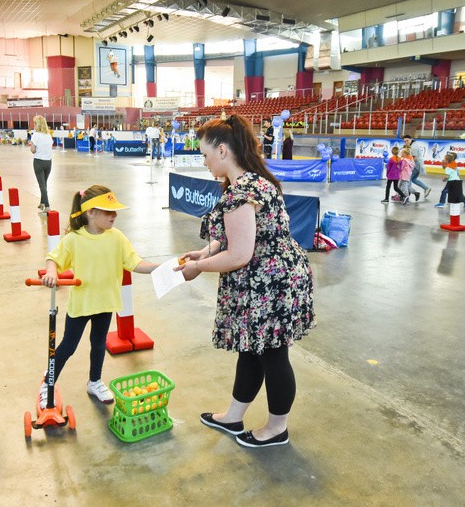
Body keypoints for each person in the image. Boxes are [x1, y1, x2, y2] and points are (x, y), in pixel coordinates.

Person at [176, 114, 315, 448]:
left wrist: (199, 268)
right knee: (251, 351)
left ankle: (277, 429)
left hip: (269, 285)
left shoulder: (242, 192)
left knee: (273, 356)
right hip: (270, 279)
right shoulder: (254, 182)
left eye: (206, 155)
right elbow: (236, 237)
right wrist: (204, 251)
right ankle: (233, 416)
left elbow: (239, 254)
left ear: (223, 151)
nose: (204, 161)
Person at [41, 185, 159, 408]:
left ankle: (94, 381)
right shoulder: (74, 239)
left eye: (115, 211)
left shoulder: (117, 237)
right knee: (68, 346)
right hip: (83, 304)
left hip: (105, 303)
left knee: (98, 344)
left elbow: (135, 262)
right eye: (107, 211)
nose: (113, 215)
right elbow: (53, 259)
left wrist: (159, 267)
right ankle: (47, 383)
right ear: (90, 213)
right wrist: (50, 272)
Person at [30, 115, 54, 212]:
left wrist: (32, 145)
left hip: (38, 162)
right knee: (44, 183)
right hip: (48, 162)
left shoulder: (35, 135)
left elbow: (33, 150)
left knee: (42, 185)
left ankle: (47, 206)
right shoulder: (48, 135)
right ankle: (42, 203)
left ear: (37, 124)